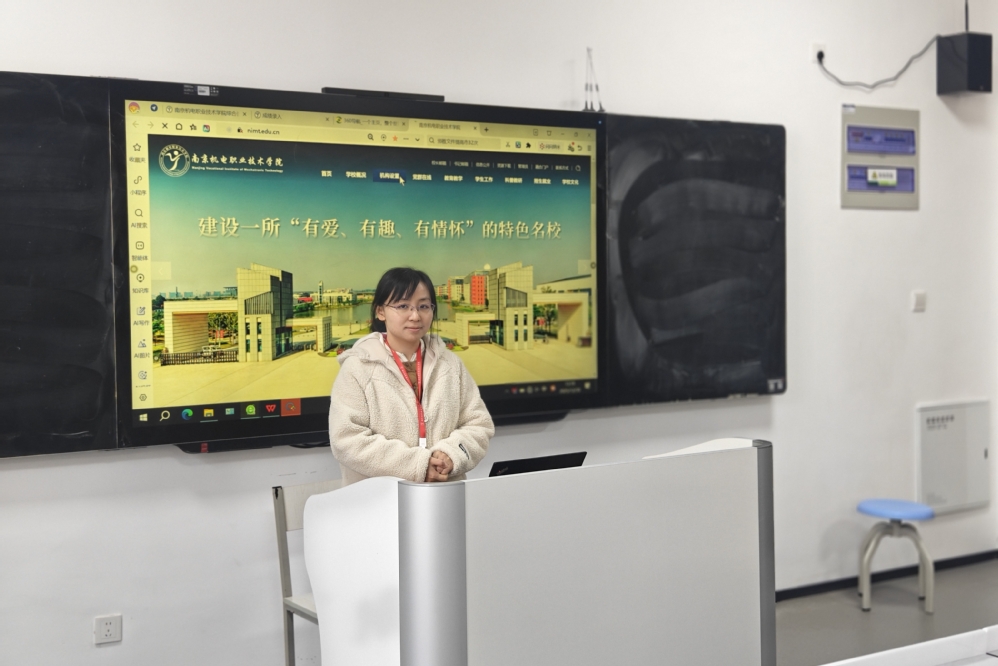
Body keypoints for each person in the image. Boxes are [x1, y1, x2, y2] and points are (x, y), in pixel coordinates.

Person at [328, 267, 494, 486]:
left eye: (423, 306)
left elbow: (479, 424)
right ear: (380, 311)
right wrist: (418, 465)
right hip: (380, 498)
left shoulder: (451, 365)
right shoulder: (358, 368)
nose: (415, 316)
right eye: (403, 306)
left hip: (444, 495)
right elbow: (346, 440)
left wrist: (451, 454)